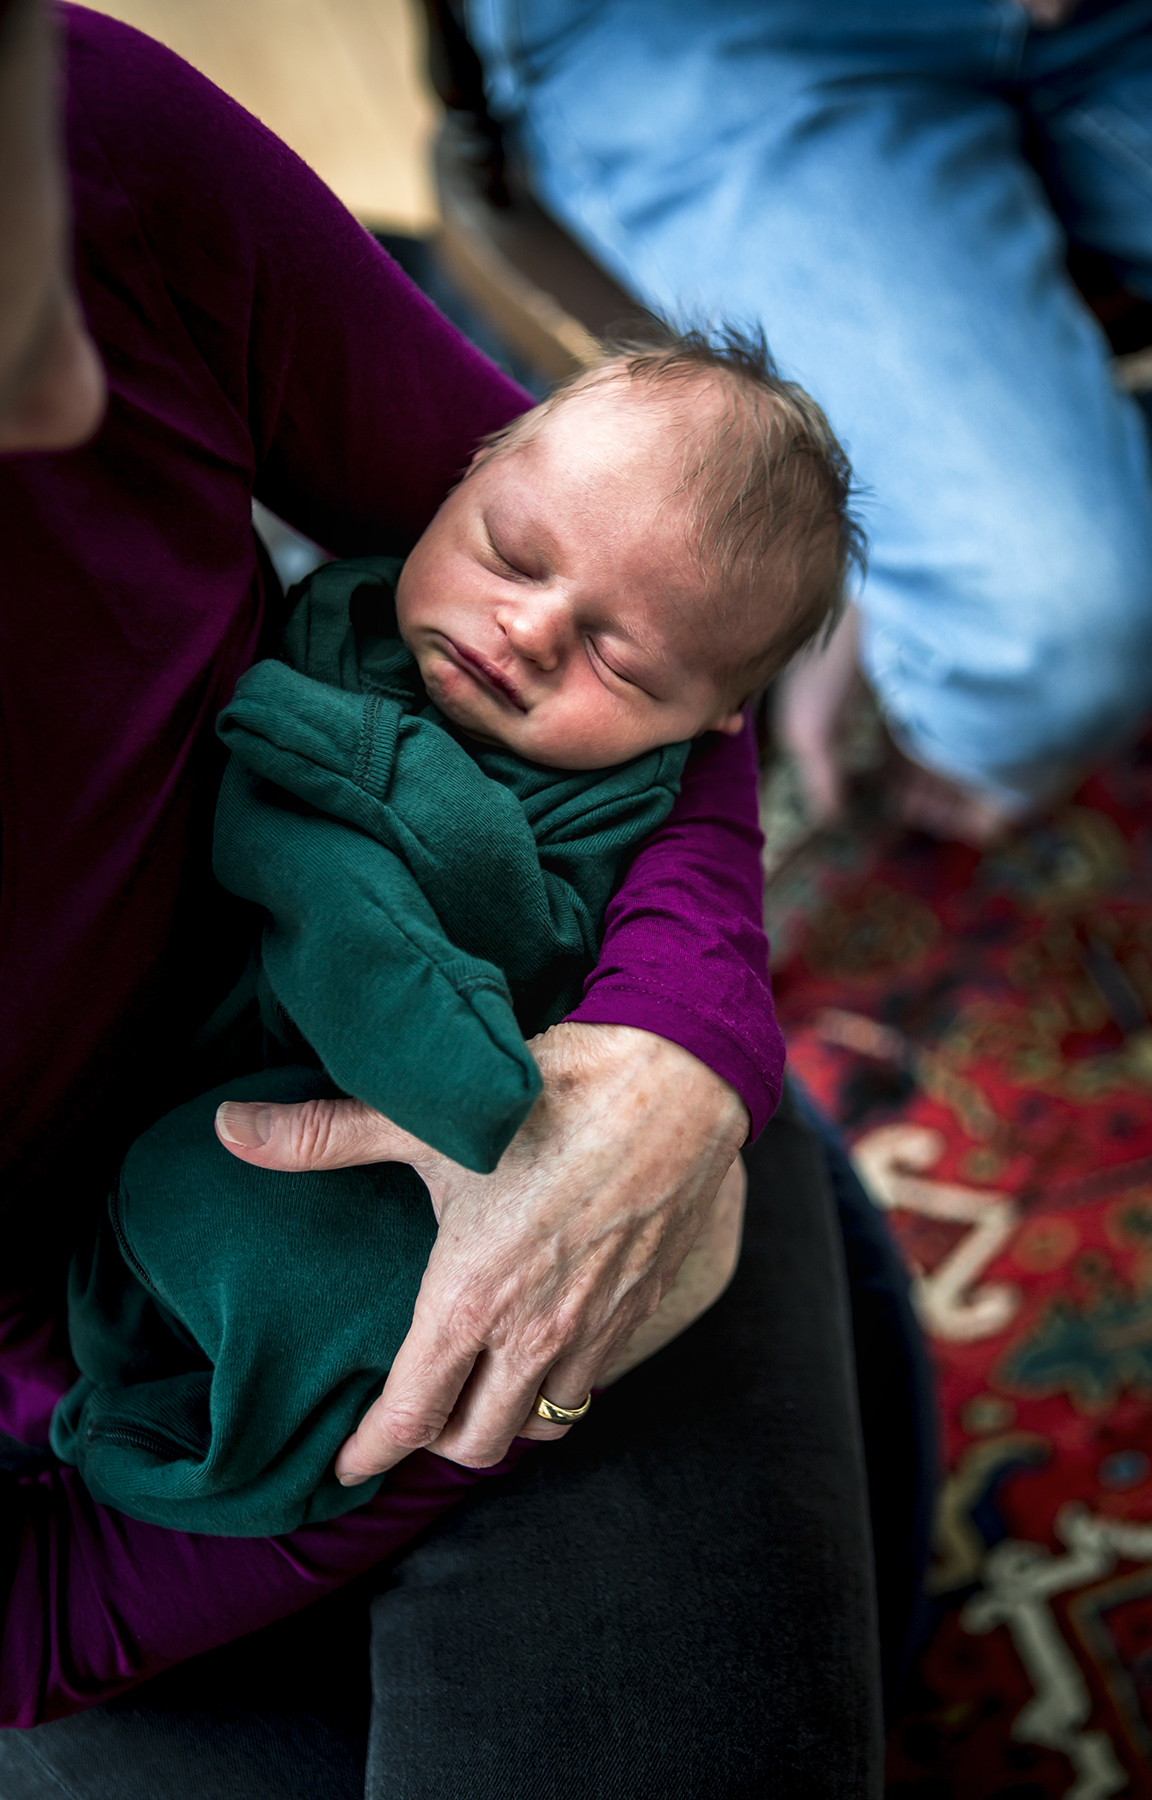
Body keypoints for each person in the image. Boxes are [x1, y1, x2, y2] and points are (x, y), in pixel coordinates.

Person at [0, 2, 929, 1788]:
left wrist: (675, 1056)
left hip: (534, 1103)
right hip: (147, 1436)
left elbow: (667, 584)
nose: (72, 396)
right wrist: (332, 1489)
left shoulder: (80, 130)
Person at [53, 335, 861, 1535]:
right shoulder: (341, 610)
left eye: (616, 659)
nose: (528, 630)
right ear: (469, 467)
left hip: (433, 1152)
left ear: (715, 722)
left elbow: (526, 948)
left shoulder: (621, 796)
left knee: (245, 1216)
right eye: (513, 554)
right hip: (192, 1069)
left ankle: (232, 1448)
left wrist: (365, 776)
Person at [465, 0, 1152, 845]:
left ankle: (898, 548)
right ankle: (921, 554)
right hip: (713, 29)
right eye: (513, 561)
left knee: (1042, 614)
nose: (530, 631)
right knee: (1055, 640)